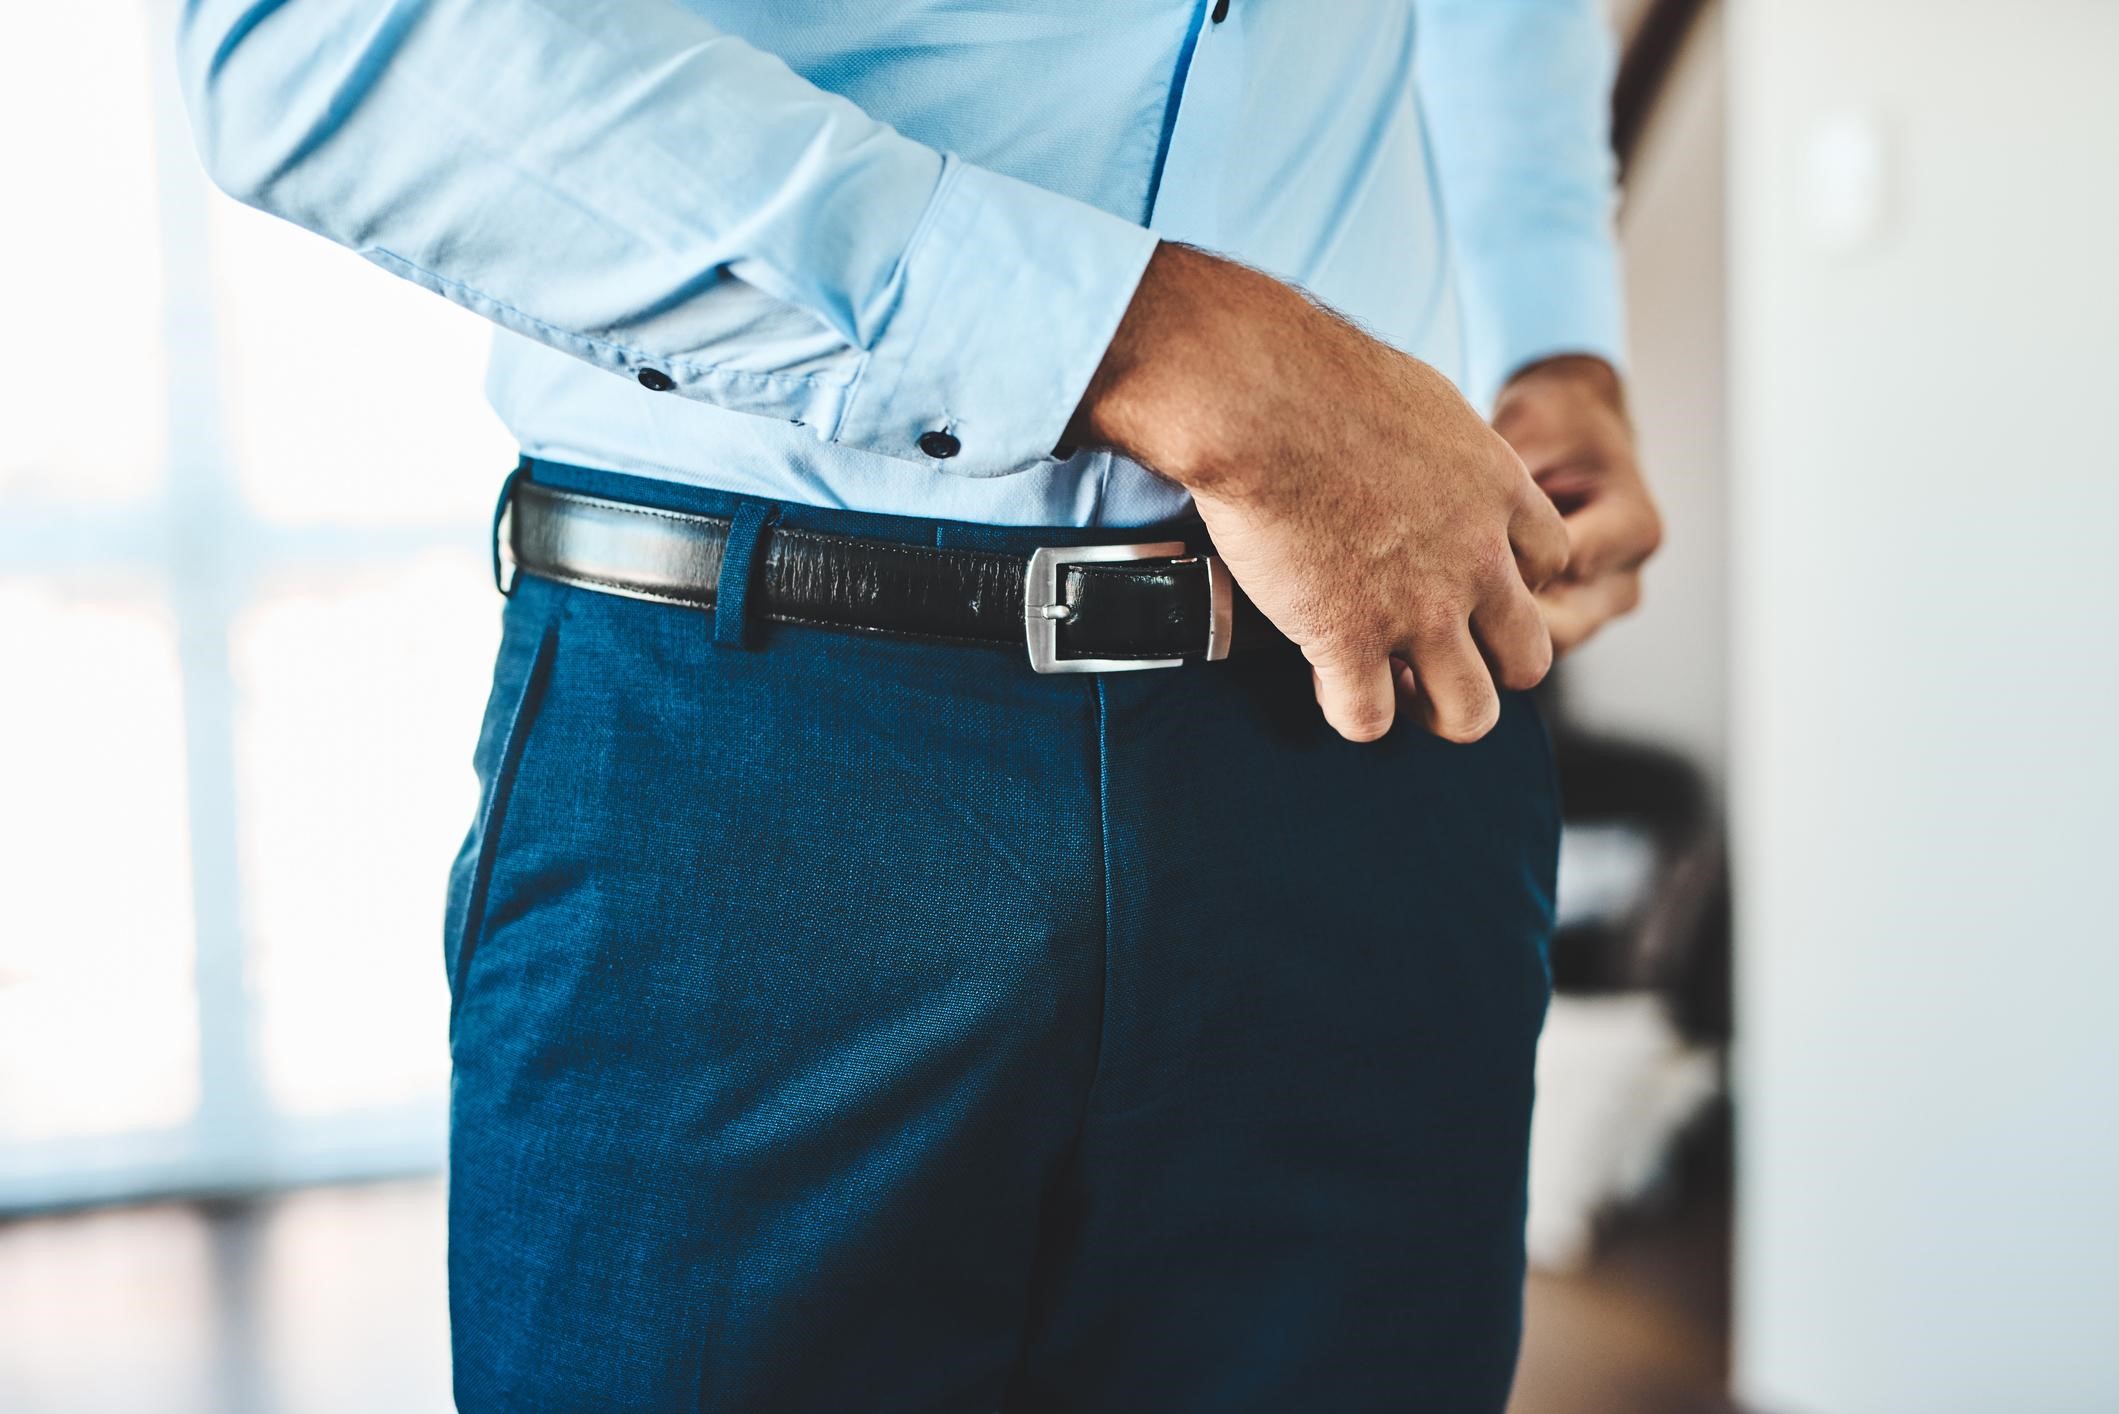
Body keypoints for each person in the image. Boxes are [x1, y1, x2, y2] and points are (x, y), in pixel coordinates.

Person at [176, 1, 1663, 1409]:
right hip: (759, 764)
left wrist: (1556, 335)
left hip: (1370, 742)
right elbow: (320, 45)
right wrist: (1159, 345)